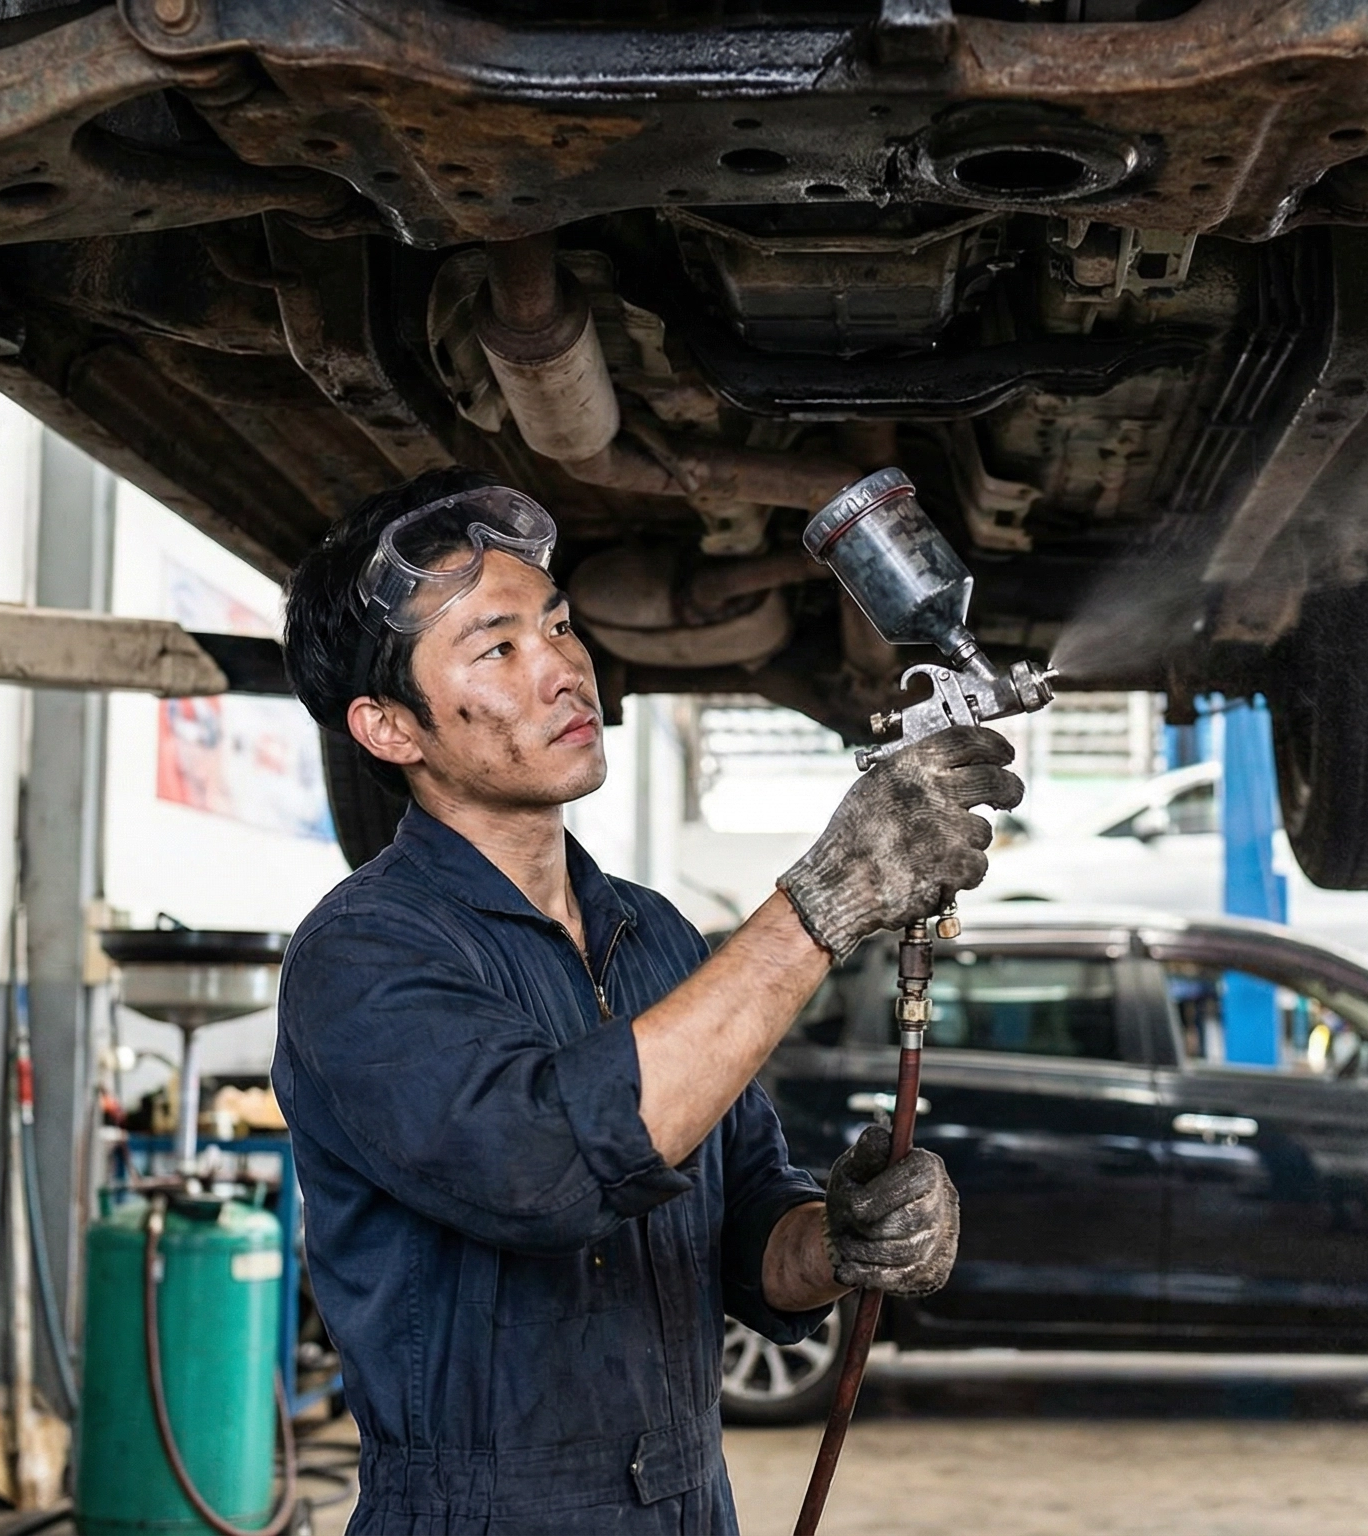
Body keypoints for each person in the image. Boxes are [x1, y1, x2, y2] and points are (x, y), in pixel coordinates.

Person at [271, 467, 1023, 1535]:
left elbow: (743, 1223)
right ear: (392, 729)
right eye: (497, 650)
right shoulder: (361, 957)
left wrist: (838, 1242)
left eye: (558, 624)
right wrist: (824, 903)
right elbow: (547, 1169)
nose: (562, 669)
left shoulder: (653, 933)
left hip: (686, 1505)